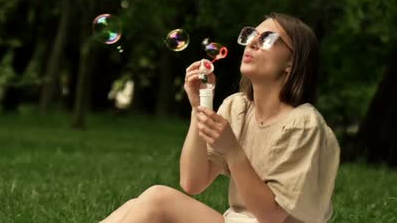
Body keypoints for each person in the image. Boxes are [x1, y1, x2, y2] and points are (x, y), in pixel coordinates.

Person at [100, 13, 340, 223]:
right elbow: (193, 183)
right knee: (136, 204)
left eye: (267, 39)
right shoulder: (237, 108)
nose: (252, 43)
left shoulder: (304, 124)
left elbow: (273, 216)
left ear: (291, 62)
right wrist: (198, 107)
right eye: (251, 35)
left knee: (157, 199)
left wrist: (233, 150)